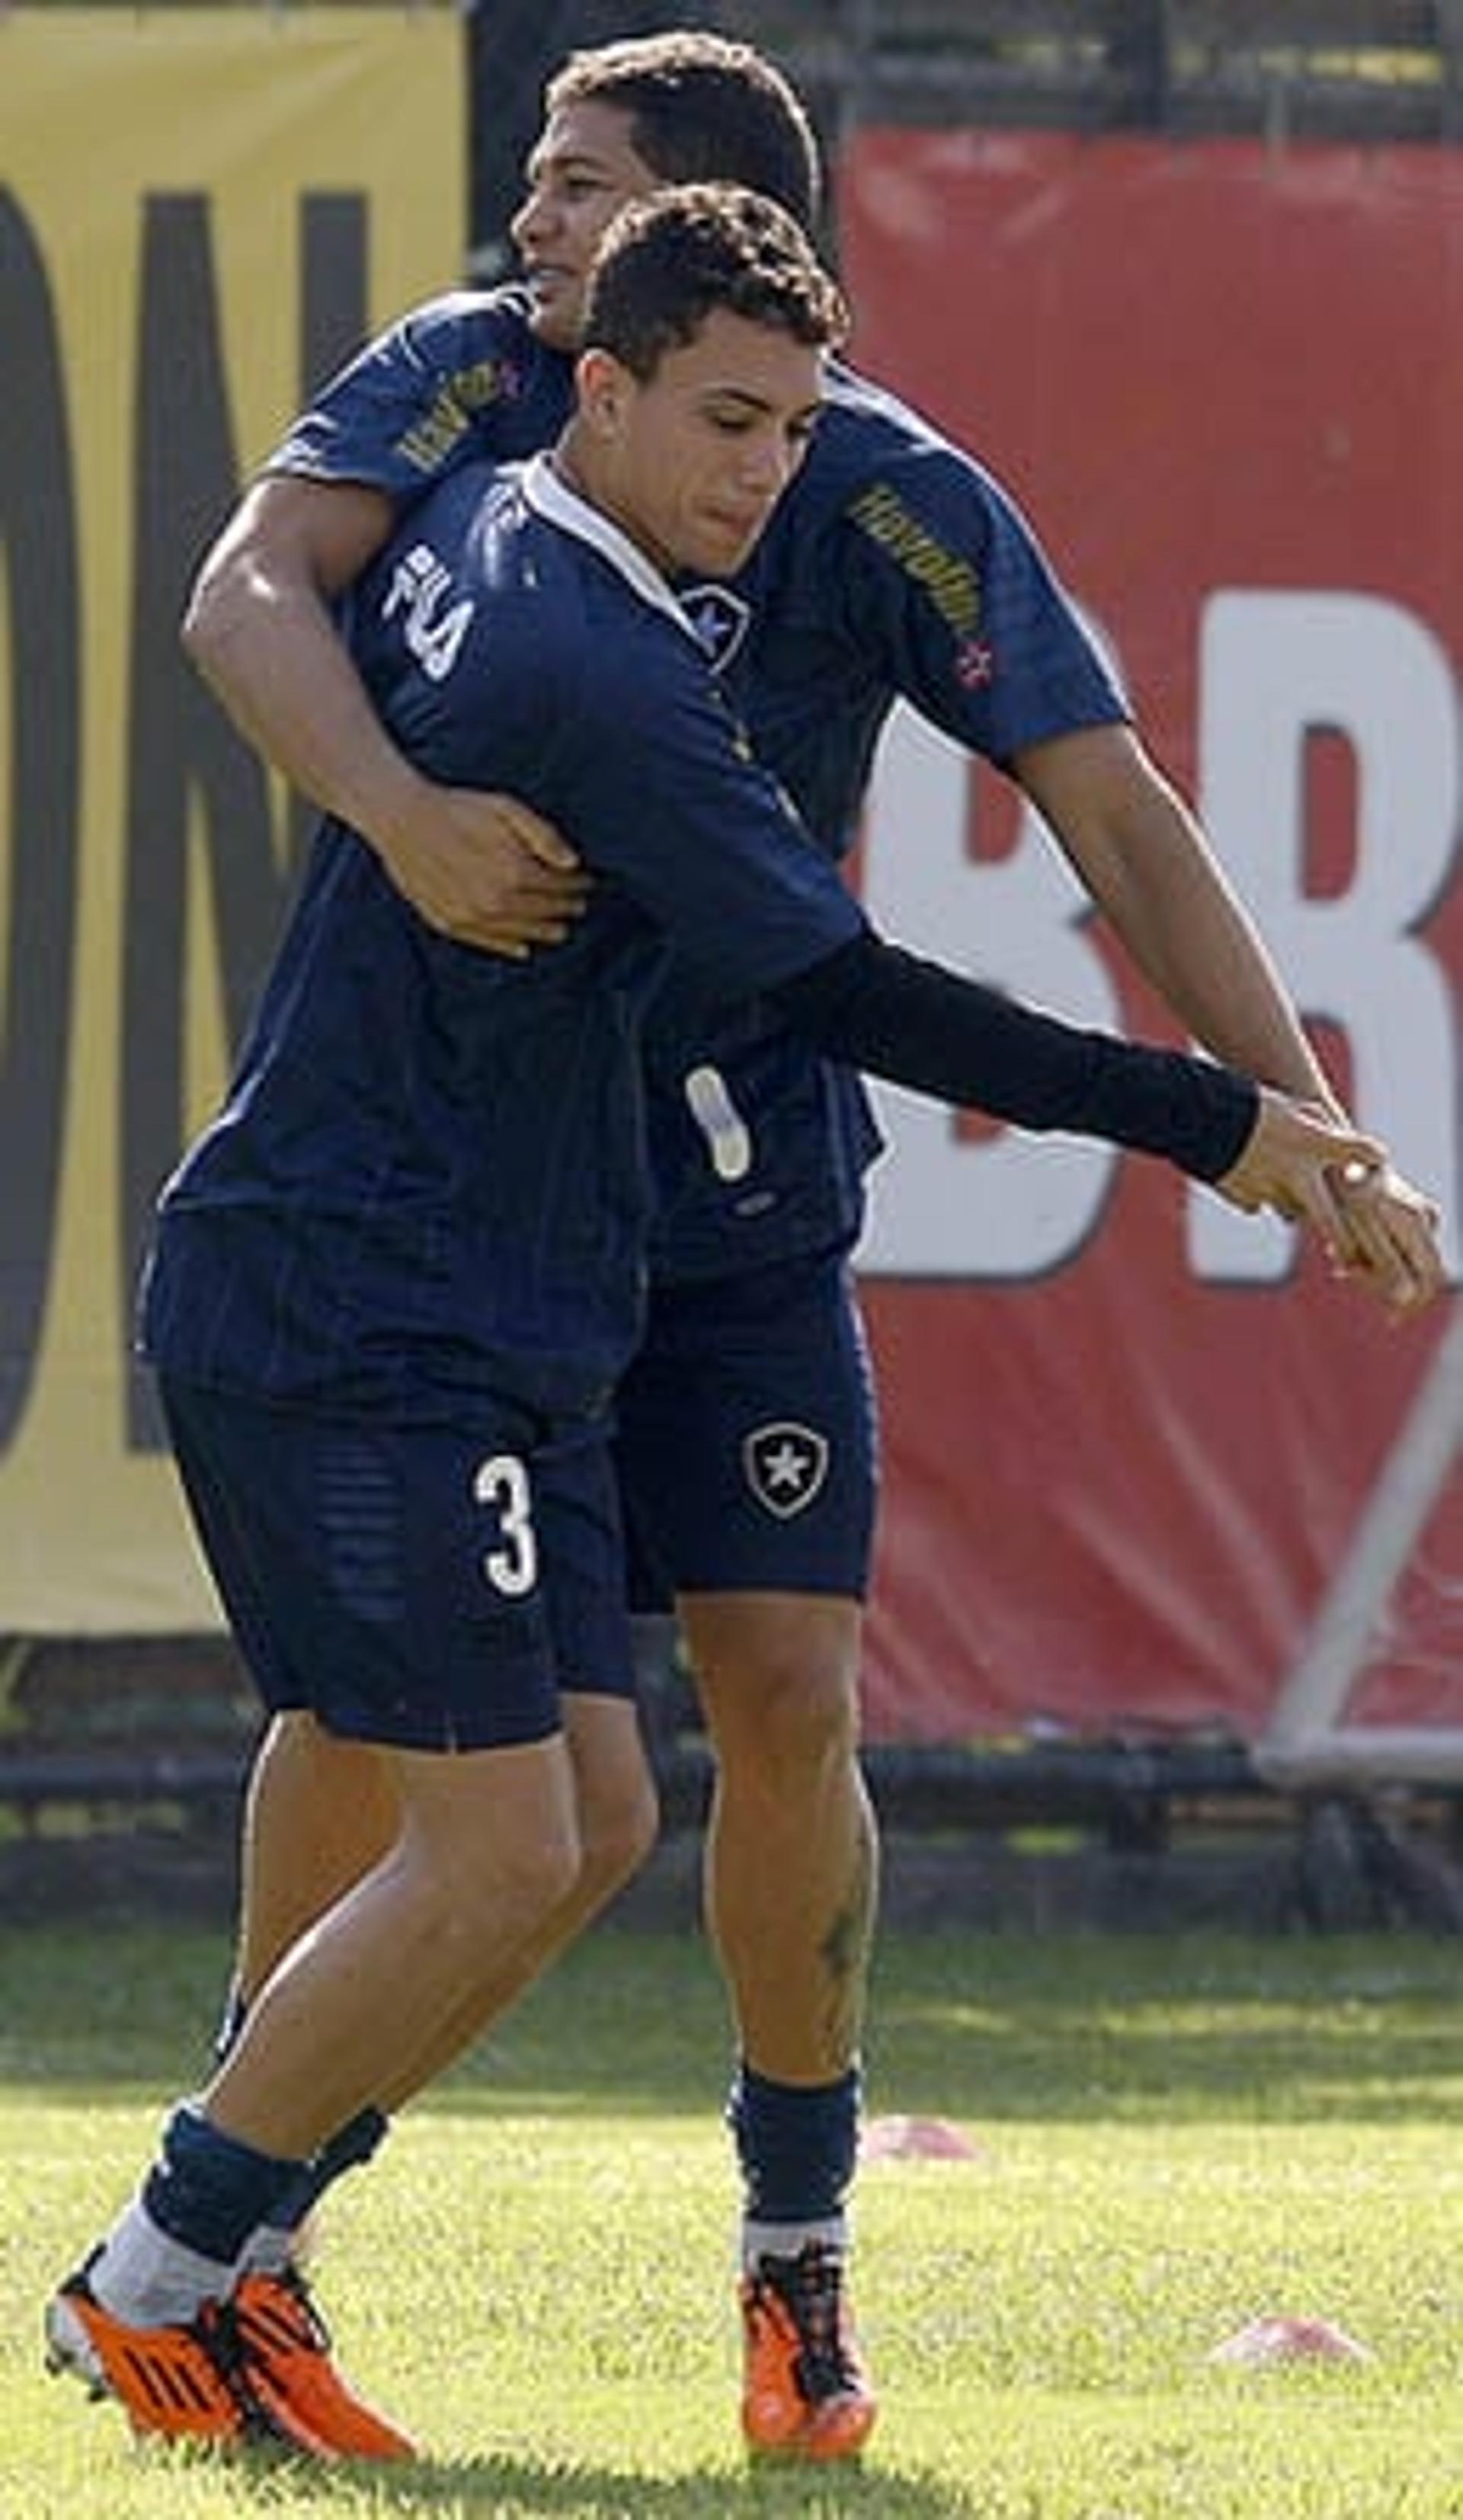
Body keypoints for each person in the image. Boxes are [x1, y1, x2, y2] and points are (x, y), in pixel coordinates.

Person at [46, 182, 1405, 2471]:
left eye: (798, 421)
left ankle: (275, 2249)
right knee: (489, 1837)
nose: (772, 466)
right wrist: (1216, 1121)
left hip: (453, 1282)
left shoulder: (483, 508)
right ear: (601, 380)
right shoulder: (606, 666)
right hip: (369, 1294)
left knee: (580, 1813)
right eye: (730, 417)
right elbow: (848, 988)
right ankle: (162, 2270)